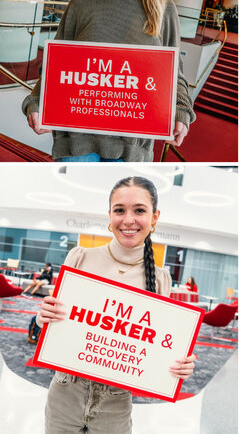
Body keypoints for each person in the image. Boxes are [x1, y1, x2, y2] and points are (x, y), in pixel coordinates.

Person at [22, 0, 196, 162]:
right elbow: (56, 67)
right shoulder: (82, 3)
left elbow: (173, 75)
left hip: (132, 147)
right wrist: (36, 102)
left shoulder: (163, 8)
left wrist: (181, 111)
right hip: (77, 142)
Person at [36, 176, 197, 433]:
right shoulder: (80, 258)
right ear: (109, 215)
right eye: (119, 210)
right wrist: (42, 317)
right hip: (65, 394)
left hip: (116, 404)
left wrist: (179, 364)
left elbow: (160, 349)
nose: (128, 220)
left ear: (155, 218)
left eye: (140, 210)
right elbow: (53, 327)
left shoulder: (161, 279)